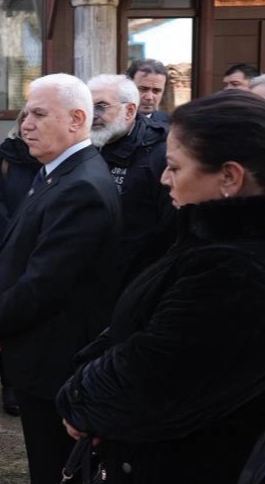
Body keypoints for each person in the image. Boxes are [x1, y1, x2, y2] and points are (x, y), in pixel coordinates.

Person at [56, 90, 265, 483]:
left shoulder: (235, 271)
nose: (164, 179)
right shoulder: (202, 234)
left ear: (229, 177)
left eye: (174, 167)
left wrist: (79, 400)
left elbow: (147, 380)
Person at [0, 73, 121, 484]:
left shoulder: (82, 187)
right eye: (25, 115)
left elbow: (45, 283)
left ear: (76, 120)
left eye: (38, 114)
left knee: (52, 467)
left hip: (55, 364)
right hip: (36, 351)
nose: (26, 125)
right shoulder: (57, 173)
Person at [0, 109, 42, 418]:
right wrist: (15, 240)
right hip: (8, 249)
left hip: (43, 247)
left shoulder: (50, 158)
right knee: (8, 313)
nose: (30, 127)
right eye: (25, 120)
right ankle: (10, 383)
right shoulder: (3, 157)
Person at [88, 74, 175, 287]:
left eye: (101, 106)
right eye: (89, 107)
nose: (93, 115)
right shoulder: (87, 146)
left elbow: (171, 230)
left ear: (129, 111)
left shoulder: (159, 156)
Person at [125, 58, 170, 123]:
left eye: (156, 91)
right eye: (143, 89)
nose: (149, 97)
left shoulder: (171, 125)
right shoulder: (111, 120)